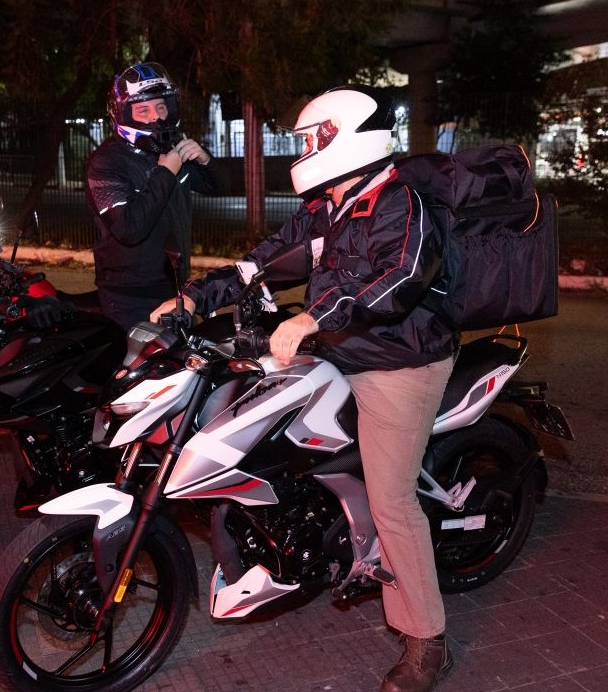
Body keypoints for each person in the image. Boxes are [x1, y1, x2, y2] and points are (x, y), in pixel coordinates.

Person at [152, 85, 458, 692]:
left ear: (348, 137)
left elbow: (399, 280)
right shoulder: (328, 206)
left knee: (394, 502)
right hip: (339, 349)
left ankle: (427, 639)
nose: (306, 149)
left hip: (399, 362)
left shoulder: (401, 202)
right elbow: (262, 263)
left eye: (315, 138)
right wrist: (194, 297)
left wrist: (314, 317)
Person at [85, 62, 220, 331]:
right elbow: (129, 229)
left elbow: (218, 186)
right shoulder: (106, 162)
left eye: (161, 107)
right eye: (143, 110)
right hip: (128, 299)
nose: (156, 117)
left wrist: (205, 160)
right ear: (124, 114)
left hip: (175, 288)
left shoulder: (172, 149)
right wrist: (165, 172)